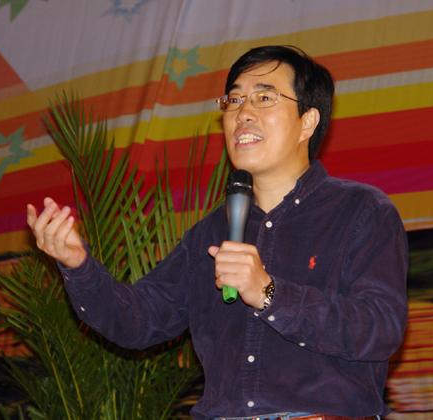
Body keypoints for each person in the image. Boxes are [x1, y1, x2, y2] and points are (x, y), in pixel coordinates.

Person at [27, 45, 408, 420]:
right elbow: (140, 321)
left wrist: (269, 293)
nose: (243, 114)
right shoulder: (209, 232)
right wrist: (78, 266)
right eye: (234, 100)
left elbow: (380, 329)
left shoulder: (361, 211)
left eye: (264, 98)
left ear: (307, 122)